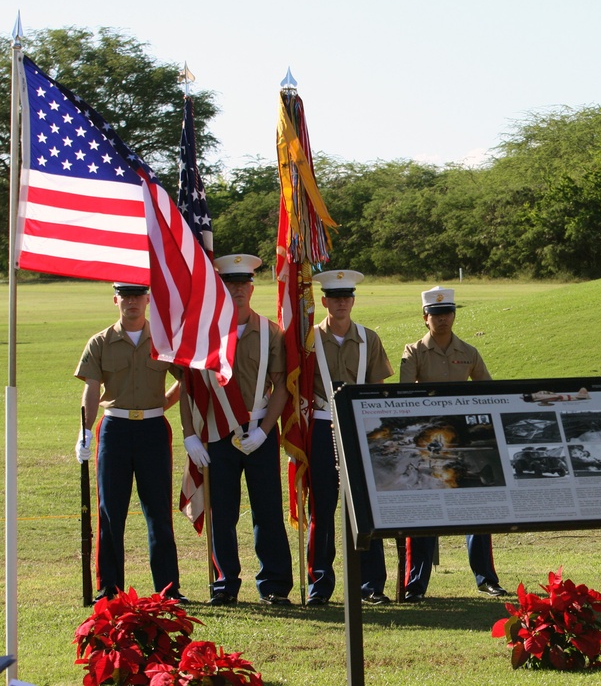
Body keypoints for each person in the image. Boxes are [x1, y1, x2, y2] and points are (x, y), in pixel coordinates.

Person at [178, 254, 293, 606]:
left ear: (252, 288)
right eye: (230, 284)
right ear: (221, 288)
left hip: (259, 430)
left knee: (268, 511)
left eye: (243, 284)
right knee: (221, 512)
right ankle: (225, 584)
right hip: (216, 432)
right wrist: (189, 435)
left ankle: (274, 585)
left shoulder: (271, 332)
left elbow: (281, 387)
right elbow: (188, 388)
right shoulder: (204, 334)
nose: (238, 290)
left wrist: (264, 430)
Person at [74, 283, 186, 603]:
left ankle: (167, 589)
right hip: (115, 430)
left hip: (152, 429)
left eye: (138, 296)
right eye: (126, 296)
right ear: (116, 300)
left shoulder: (164, 340)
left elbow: (185, 379)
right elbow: (92, 389)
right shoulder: (100, 342)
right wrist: (84, 430)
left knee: (159, 512)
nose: (132, 302)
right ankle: (110, 589)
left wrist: (162, 404)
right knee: (111, 512)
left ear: (148, 300)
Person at [398, 286, 507, 602]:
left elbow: (487, 391)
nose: (442, 320)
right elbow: (406, 397)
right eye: (435, 314)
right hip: (429, 443)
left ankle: (486, 578)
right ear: (425, 318)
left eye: (446, 313)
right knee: (425, 512)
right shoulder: (414, 352)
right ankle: (415, 584)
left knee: (478, 509)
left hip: (465, 442)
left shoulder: (469, 352)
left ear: (454, 315)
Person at [306, 270, 393, 607]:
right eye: (335, 297)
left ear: (353, 301)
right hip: (321, 426)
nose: (341, 303)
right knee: (322, 508)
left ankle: (371, 584)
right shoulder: (309, 339)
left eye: (347, 297)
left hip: (360, 429)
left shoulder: (368, 339)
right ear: (324, 301)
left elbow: (378, 390)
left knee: (365, 506)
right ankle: (320, 586)